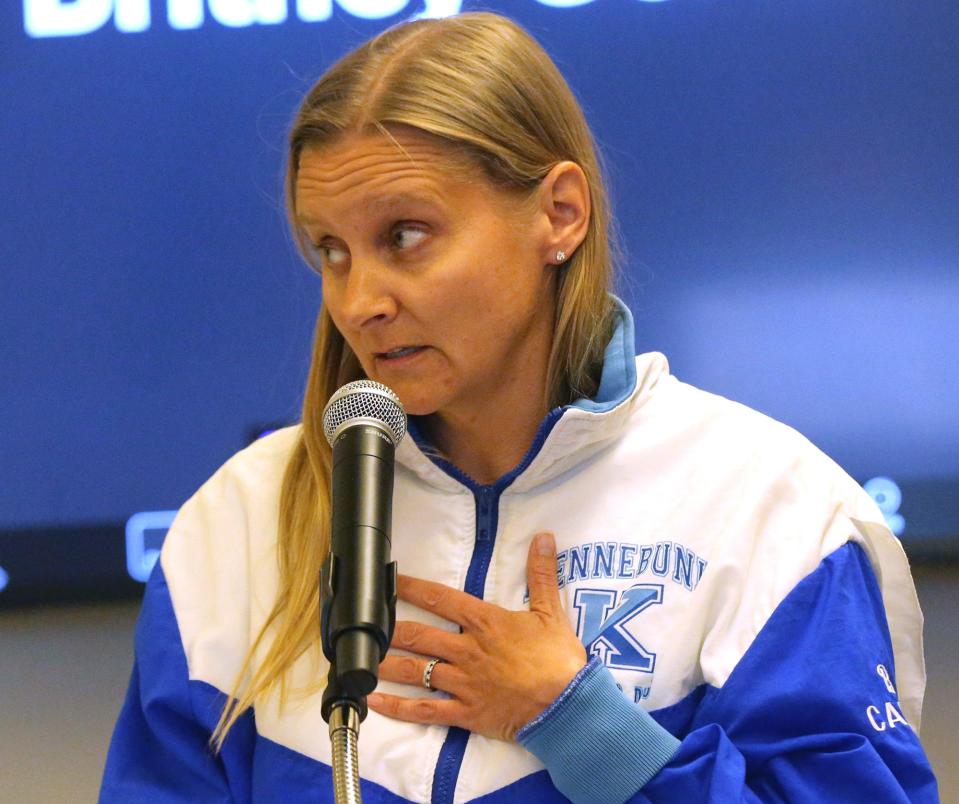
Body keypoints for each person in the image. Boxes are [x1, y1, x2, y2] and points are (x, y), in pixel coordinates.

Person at [100, 12, 938, 803]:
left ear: (558, 214)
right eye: (331, 250)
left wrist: (583, 726)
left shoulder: (769, 510)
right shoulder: (242, 517)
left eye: (405, 235)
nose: (359, 302)